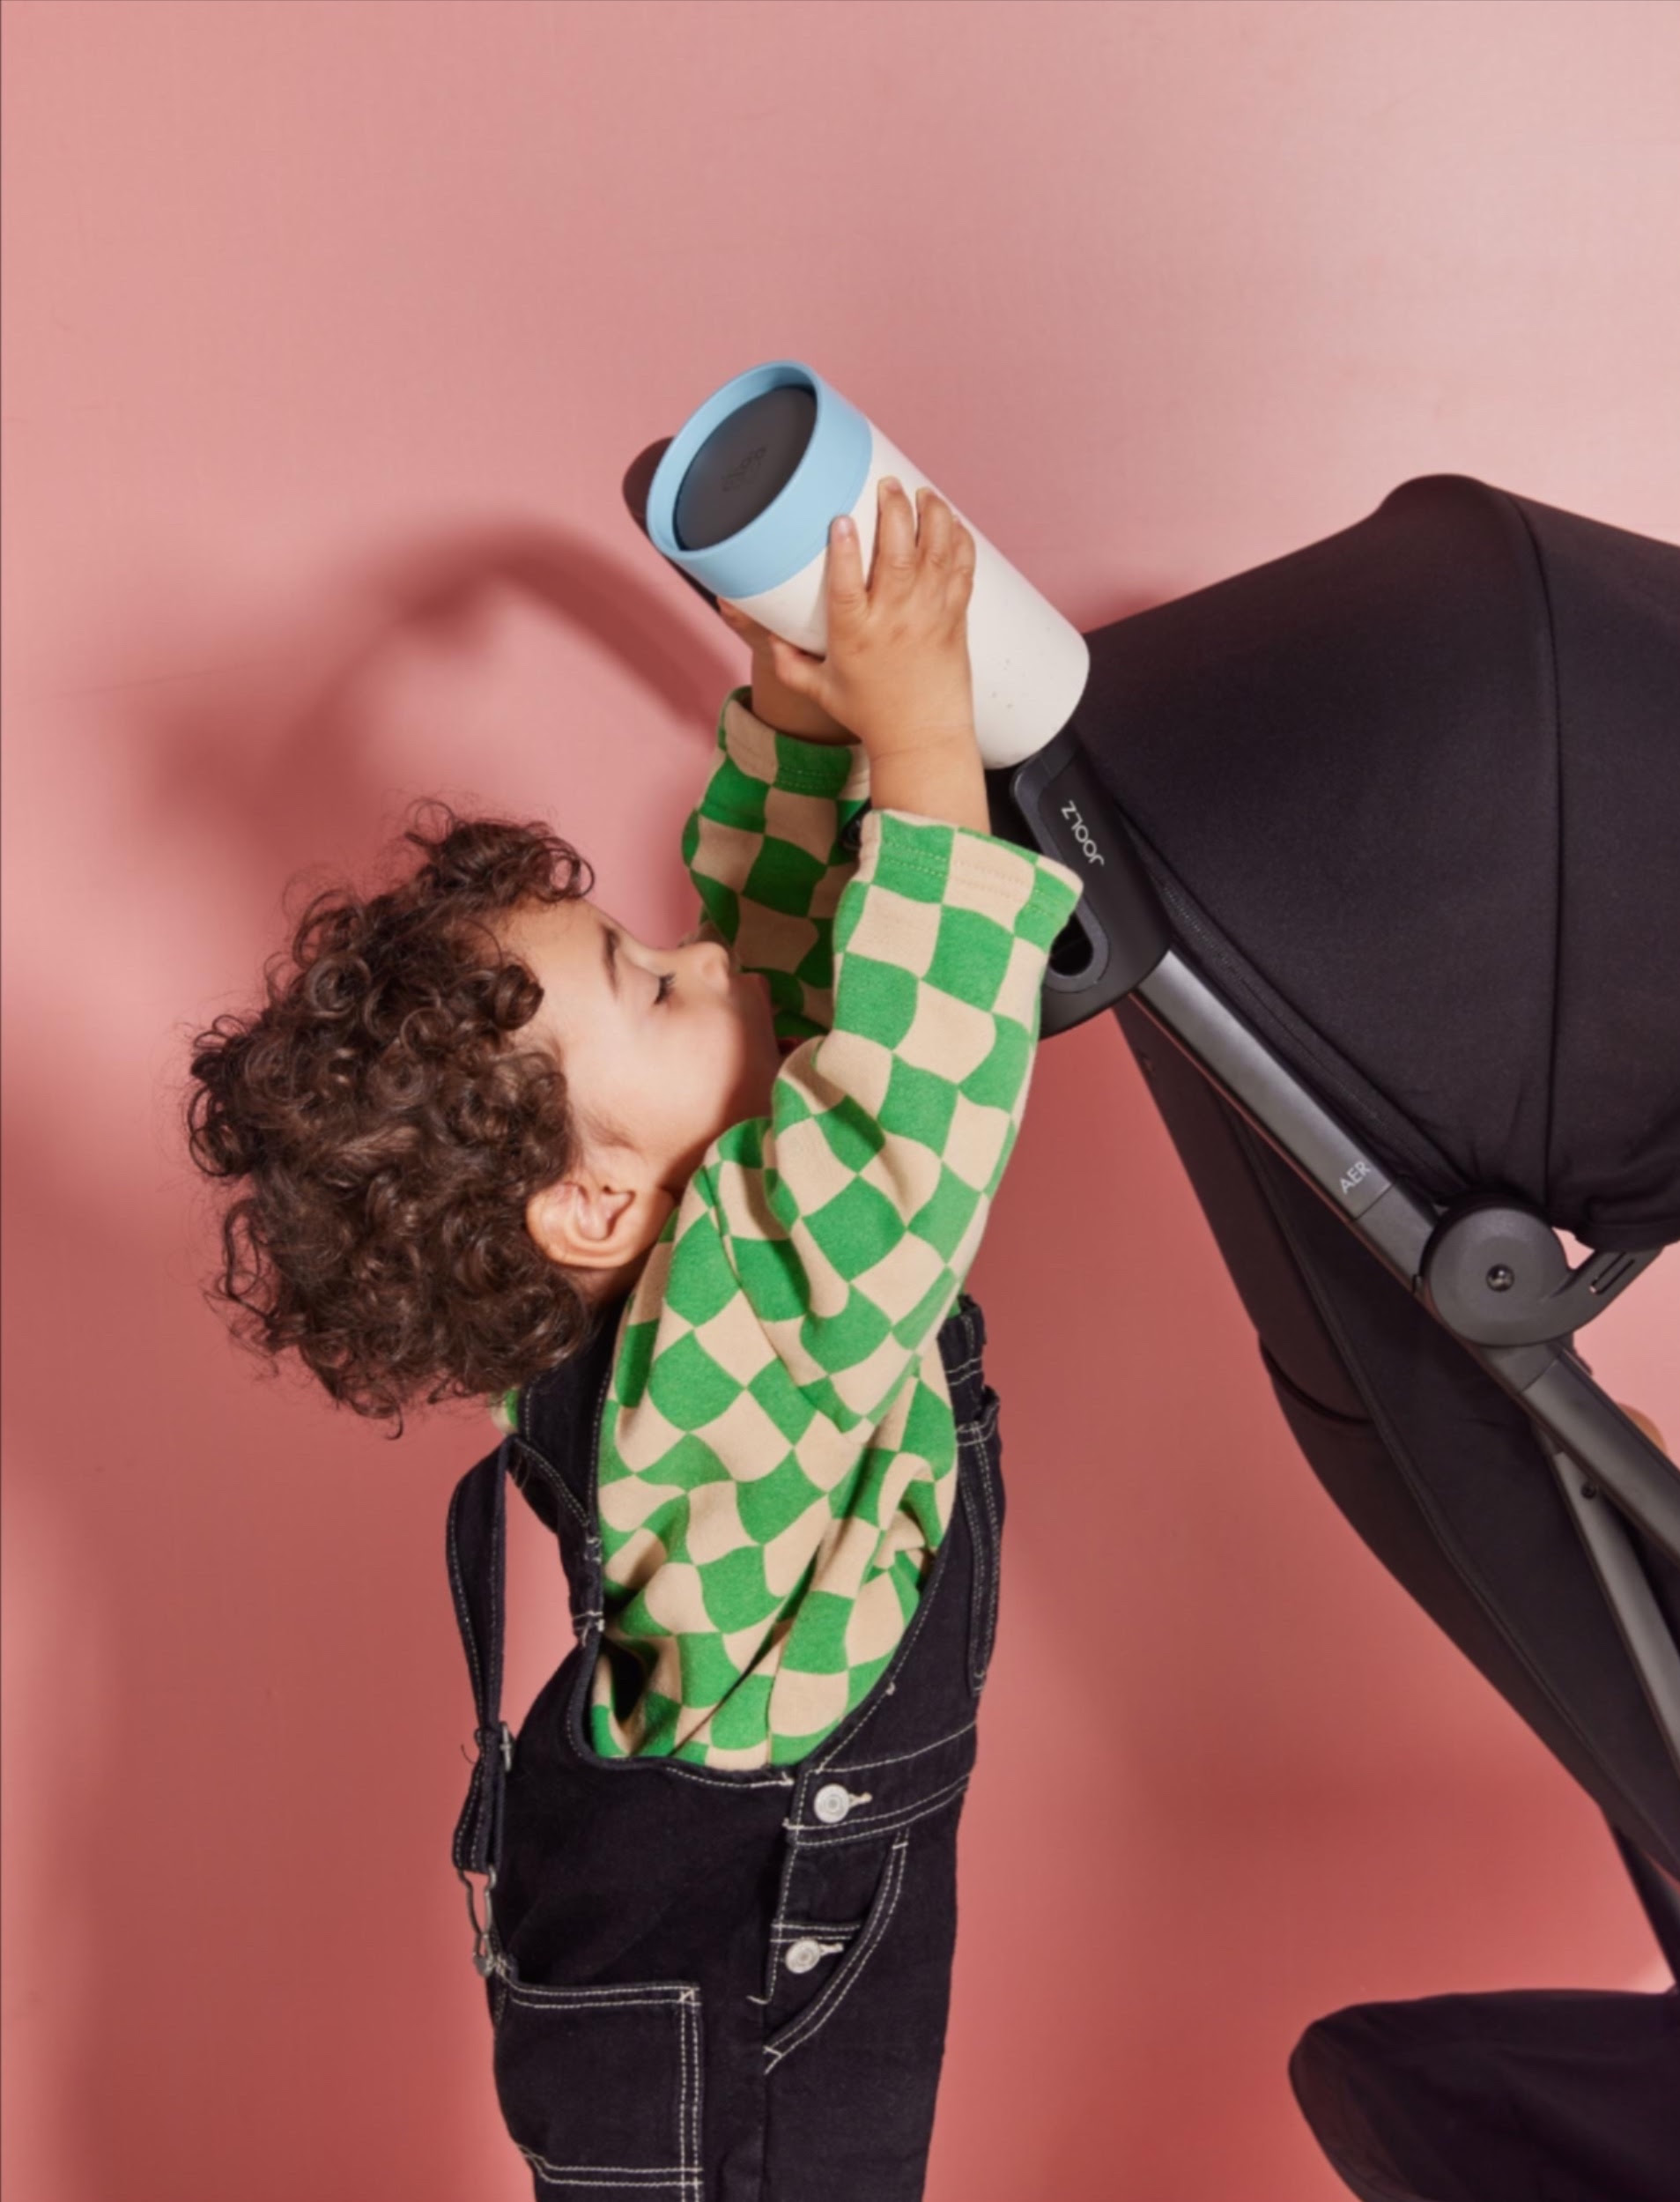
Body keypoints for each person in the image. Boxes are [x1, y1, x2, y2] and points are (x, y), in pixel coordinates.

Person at [186, 476, 1084, 2198]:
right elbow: (903, 1104)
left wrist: (797, 733)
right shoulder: (735, 1330)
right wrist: (917, 742)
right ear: (595, 1202)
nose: (704, 960)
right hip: (742, 2032)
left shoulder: (669, 1262)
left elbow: (778, 986)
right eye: (648, 982)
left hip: (697, 1966)